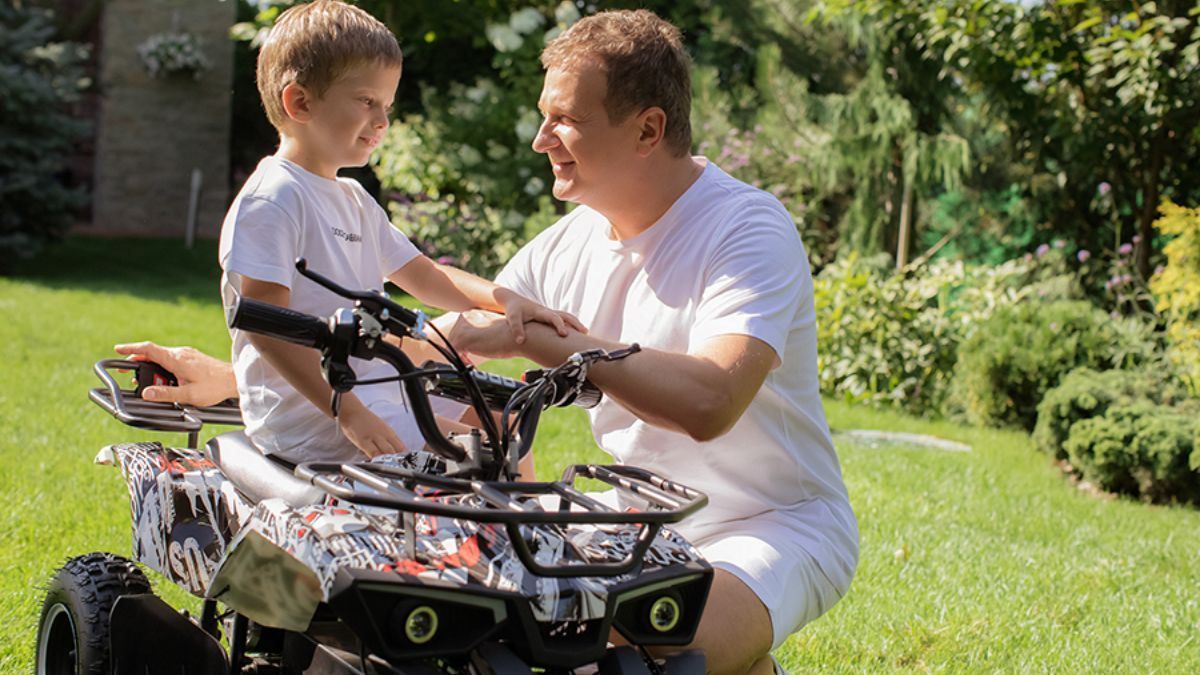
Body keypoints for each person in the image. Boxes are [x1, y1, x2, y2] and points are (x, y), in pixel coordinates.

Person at [119, 8, 857, 673]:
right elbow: (435, 353)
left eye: (563, 120)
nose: (540, 140)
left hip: (769, 525)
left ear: (647, 130)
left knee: (644, 648)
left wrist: (556, 346)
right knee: (473, 628)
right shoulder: (566, 246)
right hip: (633, 522)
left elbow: (711, 399)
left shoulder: (747, 229)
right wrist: (239, 377)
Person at [220, 0, 580, 466]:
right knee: (490, 452)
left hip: (370, 389)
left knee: (503, 416)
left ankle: (509, 533)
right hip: (312, 419)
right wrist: (345, 411)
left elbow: (426, 276)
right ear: (300, 102)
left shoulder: (351, 198)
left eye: (386, 105)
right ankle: (515, 535)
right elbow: (268, 330)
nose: (382, 120)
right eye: (367, 101)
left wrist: (506, 300)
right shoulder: (274, 199)